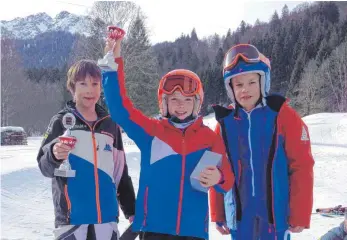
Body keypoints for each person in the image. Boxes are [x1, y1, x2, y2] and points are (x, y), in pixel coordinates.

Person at [99, 36, 235, 240]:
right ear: (164, 103)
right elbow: (120, 109)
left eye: (187, 100)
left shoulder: (209, 138)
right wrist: (113, 63)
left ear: (197, 103)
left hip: (193, 231)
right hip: (154, 229)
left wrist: (219, 177)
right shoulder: (151, 132)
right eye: (174, 99)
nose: (181, 105)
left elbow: (228, 179)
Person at [209, 44, 315, 240]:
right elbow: (215, 170)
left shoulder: (283, 116)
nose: (245, 90)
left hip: (275, 217)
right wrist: (218, 212)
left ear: (263, 82)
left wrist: (299, 213)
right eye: (238, 85)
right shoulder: (224, 124)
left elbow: (301, 165)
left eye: (251, 82)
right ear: (230, 88)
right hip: (240, 217)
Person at [37, 59, 136, 240]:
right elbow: (44, 166)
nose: (89, 89)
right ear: (72, 88)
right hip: (71, 222)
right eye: (82, 84)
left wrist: (131, 210)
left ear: (101, 88)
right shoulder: (61, 121)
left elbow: (121, 172)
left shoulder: (110, 124)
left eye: (95, 84)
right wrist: (54, 153)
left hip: (106, 221)